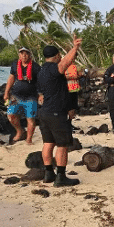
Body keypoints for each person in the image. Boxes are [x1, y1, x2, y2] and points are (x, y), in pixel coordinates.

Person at [37, 37, 83, 187]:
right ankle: (61, 177)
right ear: (56, 56)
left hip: (44, 112)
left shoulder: (42, 70)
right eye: (59, 56)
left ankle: (48, 173)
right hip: (56, 112)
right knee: (62, 145)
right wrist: (75, 47)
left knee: (48, 143)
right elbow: (65, 63)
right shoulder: (53, 68)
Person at [4, 47, 41, 145]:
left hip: (31, 97)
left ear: (30, 55)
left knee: (30, 119)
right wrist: (6, 92)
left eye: (26, 53)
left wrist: (41, 94)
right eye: (22, 53)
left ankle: (29, 139)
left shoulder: (36, 67)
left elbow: (41, 82)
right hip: (16, 96)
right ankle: (20, 131)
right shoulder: (15, 65)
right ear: (19, 55)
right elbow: (11, 78)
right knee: (10, 114)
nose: (24, 55)